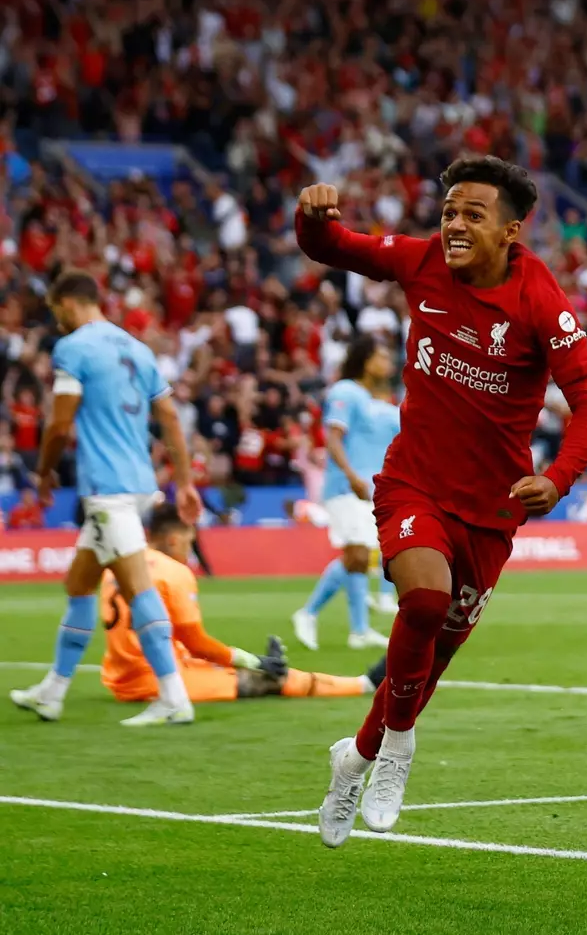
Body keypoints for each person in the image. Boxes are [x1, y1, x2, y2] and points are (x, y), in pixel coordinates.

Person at [296, 155, 587, 847]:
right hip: (414, 482)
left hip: (493, 509)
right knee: (425, 602)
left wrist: (557, 477)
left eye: (473, 214)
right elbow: (332, 247)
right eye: (448, 212)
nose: (454, 224)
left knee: (430, 657)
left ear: (512, 230)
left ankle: (355, 758)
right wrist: (312, 219)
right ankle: (398, 749)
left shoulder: (541, 303)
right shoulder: (421, 262)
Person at [10, 271, 202, 727]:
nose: (57, 319)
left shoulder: (73, 348)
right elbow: (170, 417)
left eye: (56, 310)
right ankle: (52, 693)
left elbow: (59, 425)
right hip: (138, 482)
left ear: (69, 303)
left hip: (107, 488)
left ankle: (174, 696)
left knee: (138, 588)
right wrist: (187, 480)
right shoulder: (138, 349)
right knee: (78, 585)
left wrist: (42, 473)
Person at [101, 503, 382, 704]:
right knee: (269, 680)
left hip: (123, 676)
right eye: (190, 540)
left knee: (243, 669)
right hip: (158, 679)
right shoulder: (173, 573)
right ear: (174, 539)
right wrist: (254, 661)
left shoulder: (115, 568)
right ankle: (363, 684)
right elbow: (197, 643)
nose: (190, 548)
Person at [292, 334, 400, 651]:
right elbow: (334, 437)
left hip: (368, 490)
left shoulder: (373, 401)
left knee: (359, 557)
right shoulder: (345, 391)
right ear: (365, 359)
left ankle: (359, 631)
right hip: (346, 486)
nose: (387, 362)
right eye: (381, 356)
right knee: (358, 555)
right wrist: (351, 475)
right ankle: (308, 612)